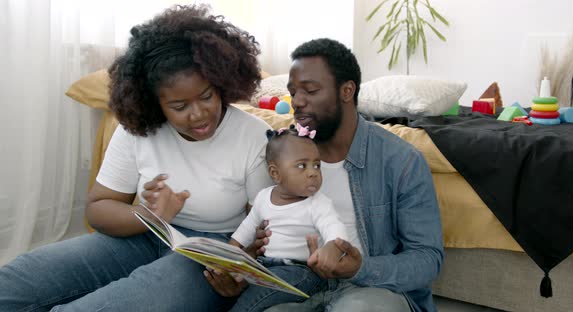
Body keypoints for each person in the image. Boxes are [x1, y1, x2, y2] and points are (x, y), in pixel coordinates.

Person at [0, 5, 273, 311]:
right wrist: (151, 216)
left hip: (213, 251)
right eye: (180, 106)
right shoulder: (139, 131)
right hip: (144, 235)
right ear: (155, 103)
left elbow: (264, 230)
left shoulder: (254, 136)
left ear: (222, 83)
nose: (198, 114)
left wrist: (239, 273)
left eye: (207, 96)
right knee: (16, 281)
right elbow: (98, 210)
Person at [208, 38, 444, 312]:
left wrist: (360, 268)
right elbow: (265, 227)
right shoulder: (284, 152)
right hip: (297, 285)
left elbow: (428, 259)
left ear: (346, 91)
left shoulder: (400, 160)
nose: (297, 102)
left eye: (310, 90)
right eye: (293, 91)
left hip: (370, 289)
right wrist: (243, 271)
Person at [228, 125, 349, 312]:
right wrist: (229, 252)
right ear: (275, 173)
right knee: (238, 283)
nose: (313, 172)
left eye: (317, 165)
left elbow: (333, 226)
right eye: (302, 165)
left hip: (302, 272)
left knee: (256, 298)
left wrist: (333, 246)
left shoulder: (317, 203)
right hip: (264, 266)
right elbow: (246, 229)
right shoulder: (263, 198)